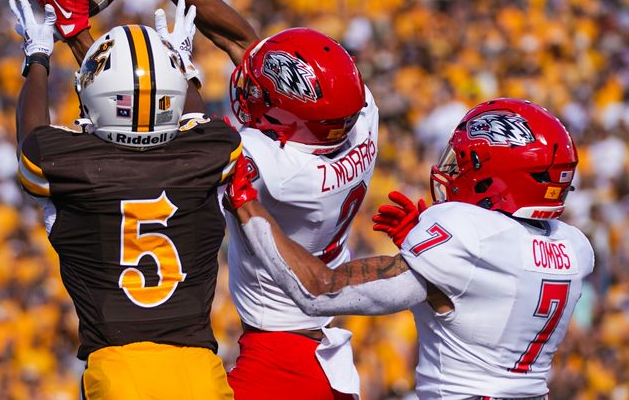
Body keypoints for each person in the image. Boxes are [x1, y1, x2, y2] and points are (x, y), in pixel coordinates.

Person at [99, 0, 376, 399]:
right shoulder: (360, 115)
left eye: (263, 96)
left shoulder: (281, 170)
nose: (247, 88)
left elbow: (184, 134)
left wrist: (177, 67)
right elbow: (244, 41)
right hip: (312, 340)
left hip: (281, 353)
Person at [227, 98, 595, 400]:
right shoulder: (572, 247)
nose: (450, 170)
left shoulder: (468, 233)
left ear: (497, 177)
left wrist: (246, 203)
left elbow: (318, 290)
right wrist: (423, 254)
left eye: (462, 162)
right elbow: (483, 293)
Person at [9, 0, 241, 398]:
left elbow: (31, 140)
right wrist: (183, 65)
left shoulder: (70, 164)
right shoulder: (211, 152)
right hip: (199, 373)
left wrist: (38, 56)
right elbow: (191, 120)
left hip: (119, 373)